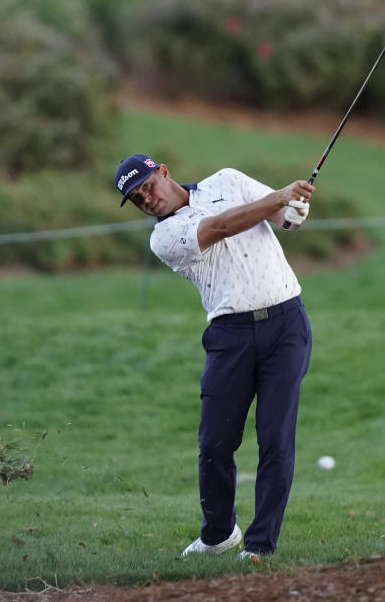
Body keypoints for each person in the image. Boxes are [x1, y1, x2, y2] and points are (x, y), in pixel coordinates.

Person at [113, 154, 314, 561]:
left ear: (163, 172)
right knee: (215, 444)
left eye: (147, 187)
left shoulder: (228, 180)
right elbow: (221, 226)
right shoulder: (164, 237)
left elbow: (286, 219)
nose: (146, 199)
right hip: (230, 334)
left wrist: (295, 204)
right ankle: (219, 534)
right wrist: (279, 196)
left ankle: (260, 545)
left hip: (286, 323)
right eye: (137, 199)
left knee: (276, 439)